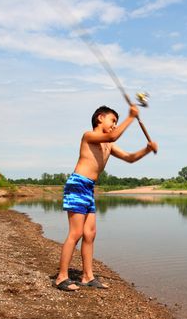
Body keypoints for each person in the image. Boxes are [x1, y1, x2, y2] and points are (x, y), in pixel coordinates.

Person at [54, 104, 158, 291]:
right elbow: (112, 135)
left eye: (116, 122)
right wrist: (131, 116)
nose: (113, 125)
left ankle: (87, 276)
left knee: (90, 234)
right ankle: (61, 277)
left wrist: (147, 149)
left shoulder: (109, 145)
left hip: (89, 188)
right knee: (76, 233)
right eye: (113, 120)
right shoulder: (89, 136)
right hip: (77, 184)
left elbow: (130, 157)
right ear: (100, 118)